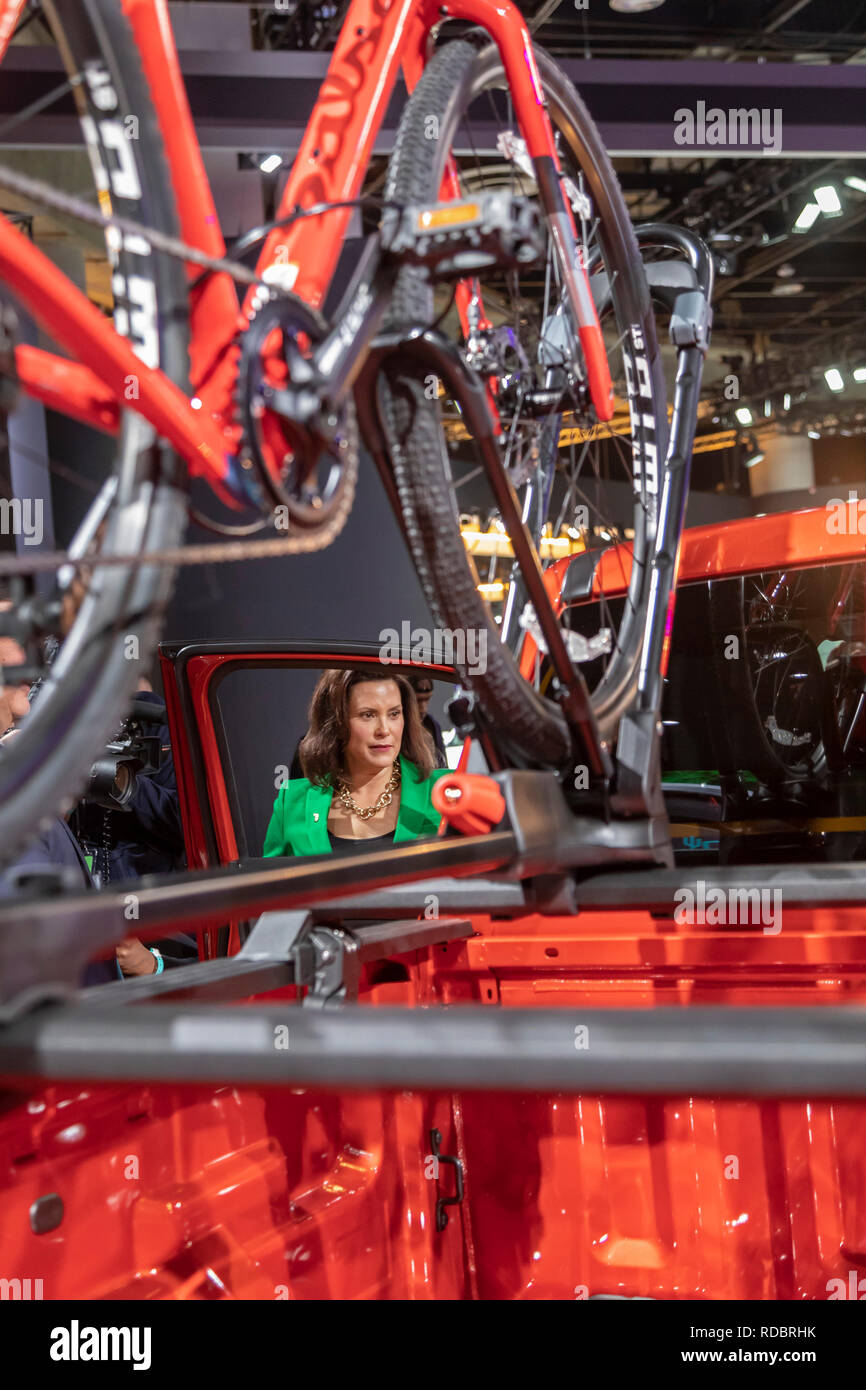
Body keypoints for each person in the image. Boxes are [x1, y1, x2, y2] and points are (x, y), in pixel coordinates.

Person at [263, 668, 449, 857]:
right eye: (368, 715)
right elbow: (266, 883)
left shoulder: (446, 791)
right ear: (335, 722)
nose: (384, 730)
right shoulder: (292, 801)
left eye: (394, 714)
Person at [408, 672, 448, 767]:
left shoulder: (432, 726)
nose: (423, 709)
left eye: (427, 699)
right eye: (418, 700)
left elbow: (443, 769)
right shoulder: (395, 728)